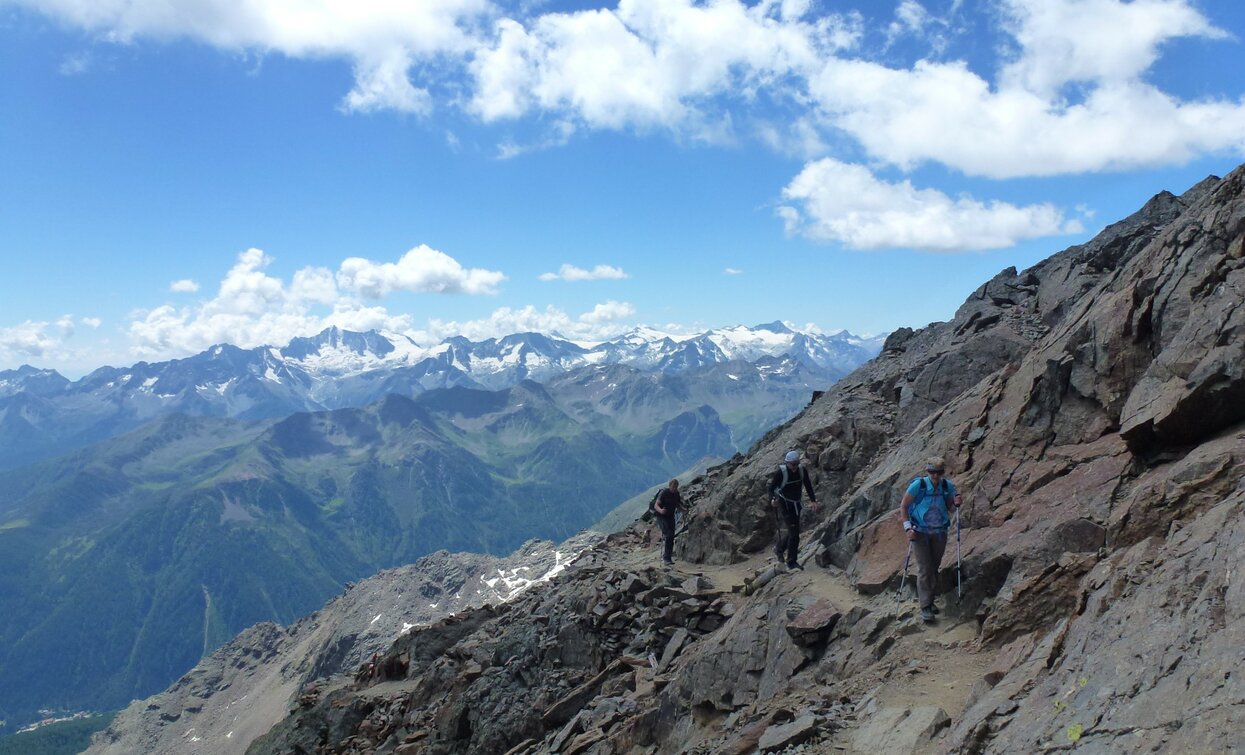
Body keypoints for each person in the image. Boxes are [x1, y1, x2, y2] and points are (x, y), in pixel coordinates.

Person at [898, 456, 963, 623]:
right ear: (927, 471)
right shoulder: (918, 486)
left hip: (940, 532)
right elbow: (904, 506)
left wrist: (956, 503)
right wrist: (907, 528)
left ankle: (929, 600)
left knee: (934, 566)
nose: (935, 475)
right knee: (925, 568)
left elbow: (950, 508)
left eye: (939, 472)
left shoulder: (947, 486)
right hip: (920, 532)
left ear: (943, 472)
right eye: (932, 472)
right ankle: (925, 606)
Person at [768, 450, 819, 569]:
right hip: (785, 505)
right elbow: (771, 488)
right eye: (793, 464)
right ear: (787, 463)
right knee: (794, 533)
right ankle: (791, 562)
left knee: (794, 531)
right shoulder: (781, 473)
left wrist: (813, 500)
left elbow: (808, 485)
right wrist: (772, 499)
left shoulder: (801, 470)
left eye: (797, 463)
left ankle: (779, 548)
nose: (795, 466)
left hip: (796, 504)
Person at [653, 478, 687, 565]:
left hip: (670, 516)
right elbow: (656, 505)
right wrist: (661, 511)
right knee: (669, 534)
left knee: (671, 536)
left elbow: (677, 504)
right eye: (673, 486)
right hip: (661, 516)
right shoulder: (664, 493)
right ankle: (666, 558)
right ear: (670, 486)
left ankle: (668, 558)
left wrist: (683, 510)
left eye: (676, 486)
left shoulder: (676, 494)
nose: (674, 488)